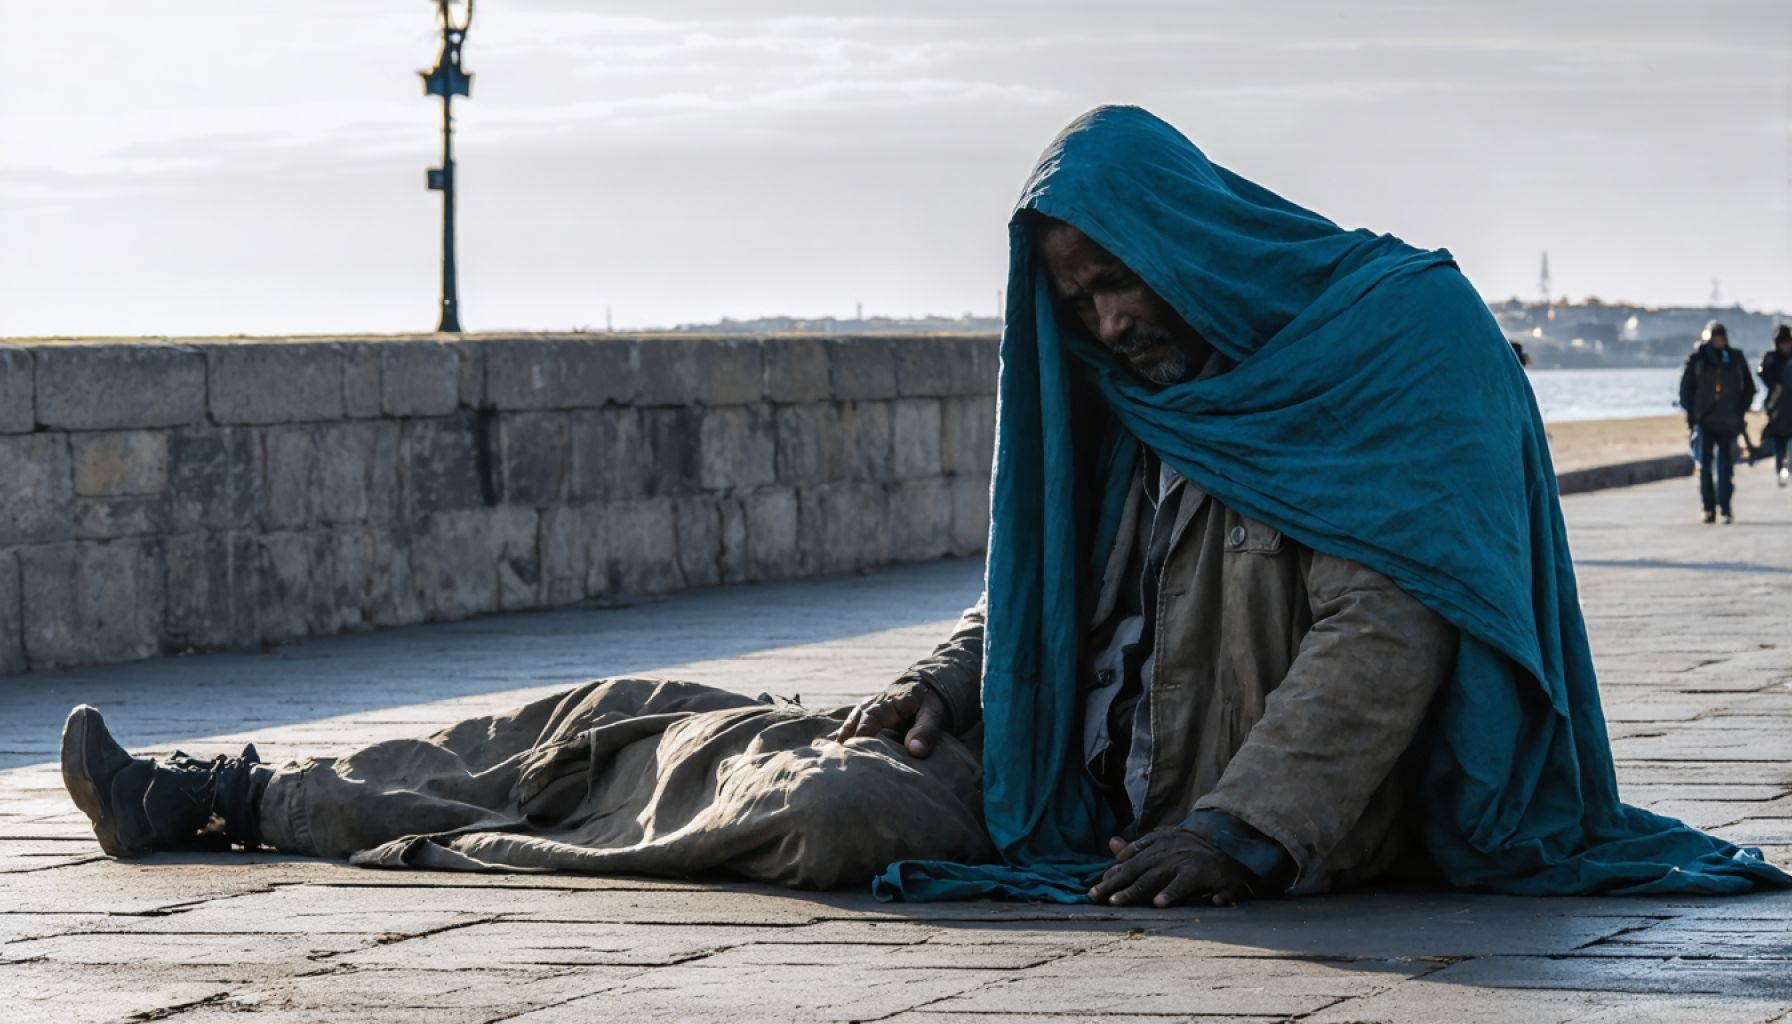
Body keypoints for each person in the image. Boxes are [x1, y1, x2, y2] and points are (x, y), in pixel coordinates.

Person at [60, 106, 1789, 906]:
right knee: (638, 708)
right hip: (1050, 747)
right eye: (1077, 298)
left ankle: (276, 809)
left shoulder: (1381, 350)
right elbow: (1064, 570)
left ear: (1184, 239)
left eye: (1122, 282)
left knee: (803, 807)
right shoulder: (1135, 384)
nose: (1106, 325)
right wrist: (962, 667)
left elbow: (1381, 627)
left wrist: (1244, 830)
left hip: (1187, 805)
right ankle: (227, 788)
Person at [1679, 322, 1756, 523]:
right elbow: (1685, 390)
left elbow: (1749, 387)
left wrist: (1741, 410)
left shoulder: (1735, 358)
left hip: (1730, 421)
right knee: (1704, 466)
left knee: (1725, 467)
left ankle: (1726, 508)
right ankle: (1708, 508)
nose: (1718, 341)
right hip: (1704, 421)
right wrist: (1692, 415)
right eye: (1714, 337)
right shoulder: (1697, 360)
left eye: (1721, 337)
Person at [1759, 324, 1792, 487]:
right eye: (1782, 342)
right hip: (1778, 412)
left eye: (1788, 342)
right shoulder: (1771, 359)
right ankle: (1782, 473)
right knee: (1780, 448)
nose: (1785, 346)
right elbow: (1764, 376)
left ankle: (1787, 472)